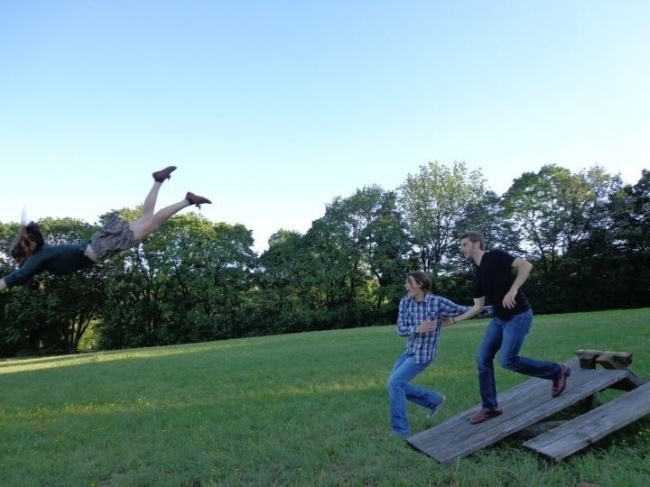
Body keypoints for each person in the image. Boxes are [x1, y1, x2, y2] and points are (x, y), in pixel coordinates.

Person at [0, 166, 211, 292]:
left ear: (26, 252)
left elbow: (15, 277)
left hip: (100, 247)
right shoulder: (41, 256)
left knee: (150, 225)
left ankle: (187, 201)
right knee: (146, 219)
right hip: (98, 243)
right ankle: (158, 180)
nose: (20, 263)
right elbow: (23, 275)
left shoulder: (38, 257)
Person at [443, 231, 570, 425]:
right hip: (500, 319)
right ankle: (490, 407)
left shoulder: (495, 256)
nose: (462, 249)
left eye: (464, 244)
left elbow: (526, 265)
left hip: (519, 315)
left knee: (507, 360)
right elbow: (477, 308)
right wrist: (453, 321)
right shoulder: (477, 276)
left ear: (477, 244)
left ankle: (557, 371)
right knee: (482, 358)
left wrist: (513, 290)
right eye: (461, 246)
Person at [387, 271, 470, 437]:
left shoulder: (437, 302)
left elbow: (464, 310)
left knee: (395, 383)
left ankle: (401, 432)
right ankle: (434, 400)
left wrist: (495, 307)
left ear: (420, 284)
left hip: (424, 355)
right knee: (394, 385)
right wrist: (416, 329)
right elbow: (400, 329)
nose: (405, 286)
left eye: (409, 282)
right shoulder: (405, 302)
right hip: (410, 350)